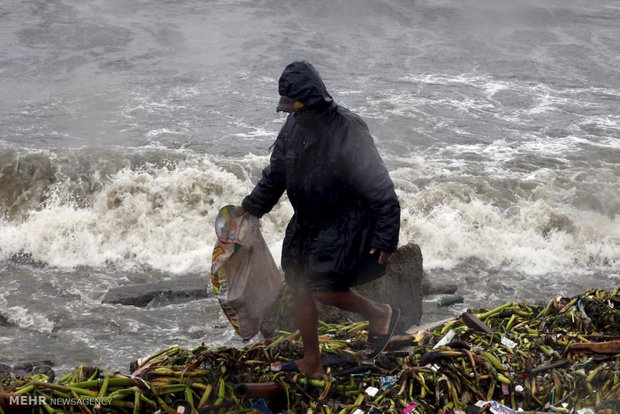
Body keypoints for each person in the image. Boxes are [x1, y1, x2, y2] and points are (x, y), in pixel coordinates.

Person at [238, 61, 401, 377]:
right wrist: (250, 208)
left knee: (322, 287)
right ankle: (311, 361)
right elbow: (276, 175)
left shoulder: (348, 128)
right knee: (298, 284)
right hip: (307, 221)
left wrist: (385, 235)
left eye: (301, 109)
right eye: (291, 110)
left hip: (345, 221)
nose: (297, 115)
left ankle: (380, 313)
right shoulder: (293, 126)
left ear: (317, 100)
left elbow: (378, 184)